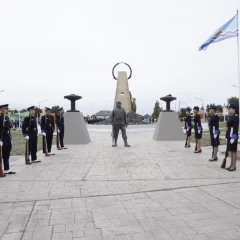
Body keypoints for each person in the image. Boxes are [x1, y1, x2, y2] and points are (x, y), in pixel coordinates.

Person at [222, 103, 239, 171]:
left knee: (234, 151)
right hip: (230, 135)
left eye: (230, 109)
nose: (228, 110)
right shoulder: (231, 116)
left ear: (234, 110)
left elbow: (235, 128)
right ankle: (231, 164)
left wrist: (233, 137)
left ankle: (234, 166)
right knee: (231, 151)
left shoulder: (235, 117)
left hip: (233, 136)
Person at [0, 104, 15, 175]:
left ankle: (6, 169)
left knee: (7, 154)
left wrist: (10, 138)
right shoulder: (0, 118)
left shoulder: (6, 117)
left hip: (7, 138)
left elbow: (9, 127)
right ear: (1, 109)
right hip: (2, 138)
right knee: (1, 155)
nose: (7, 110)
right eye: (5, 109)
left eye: (7, 109)